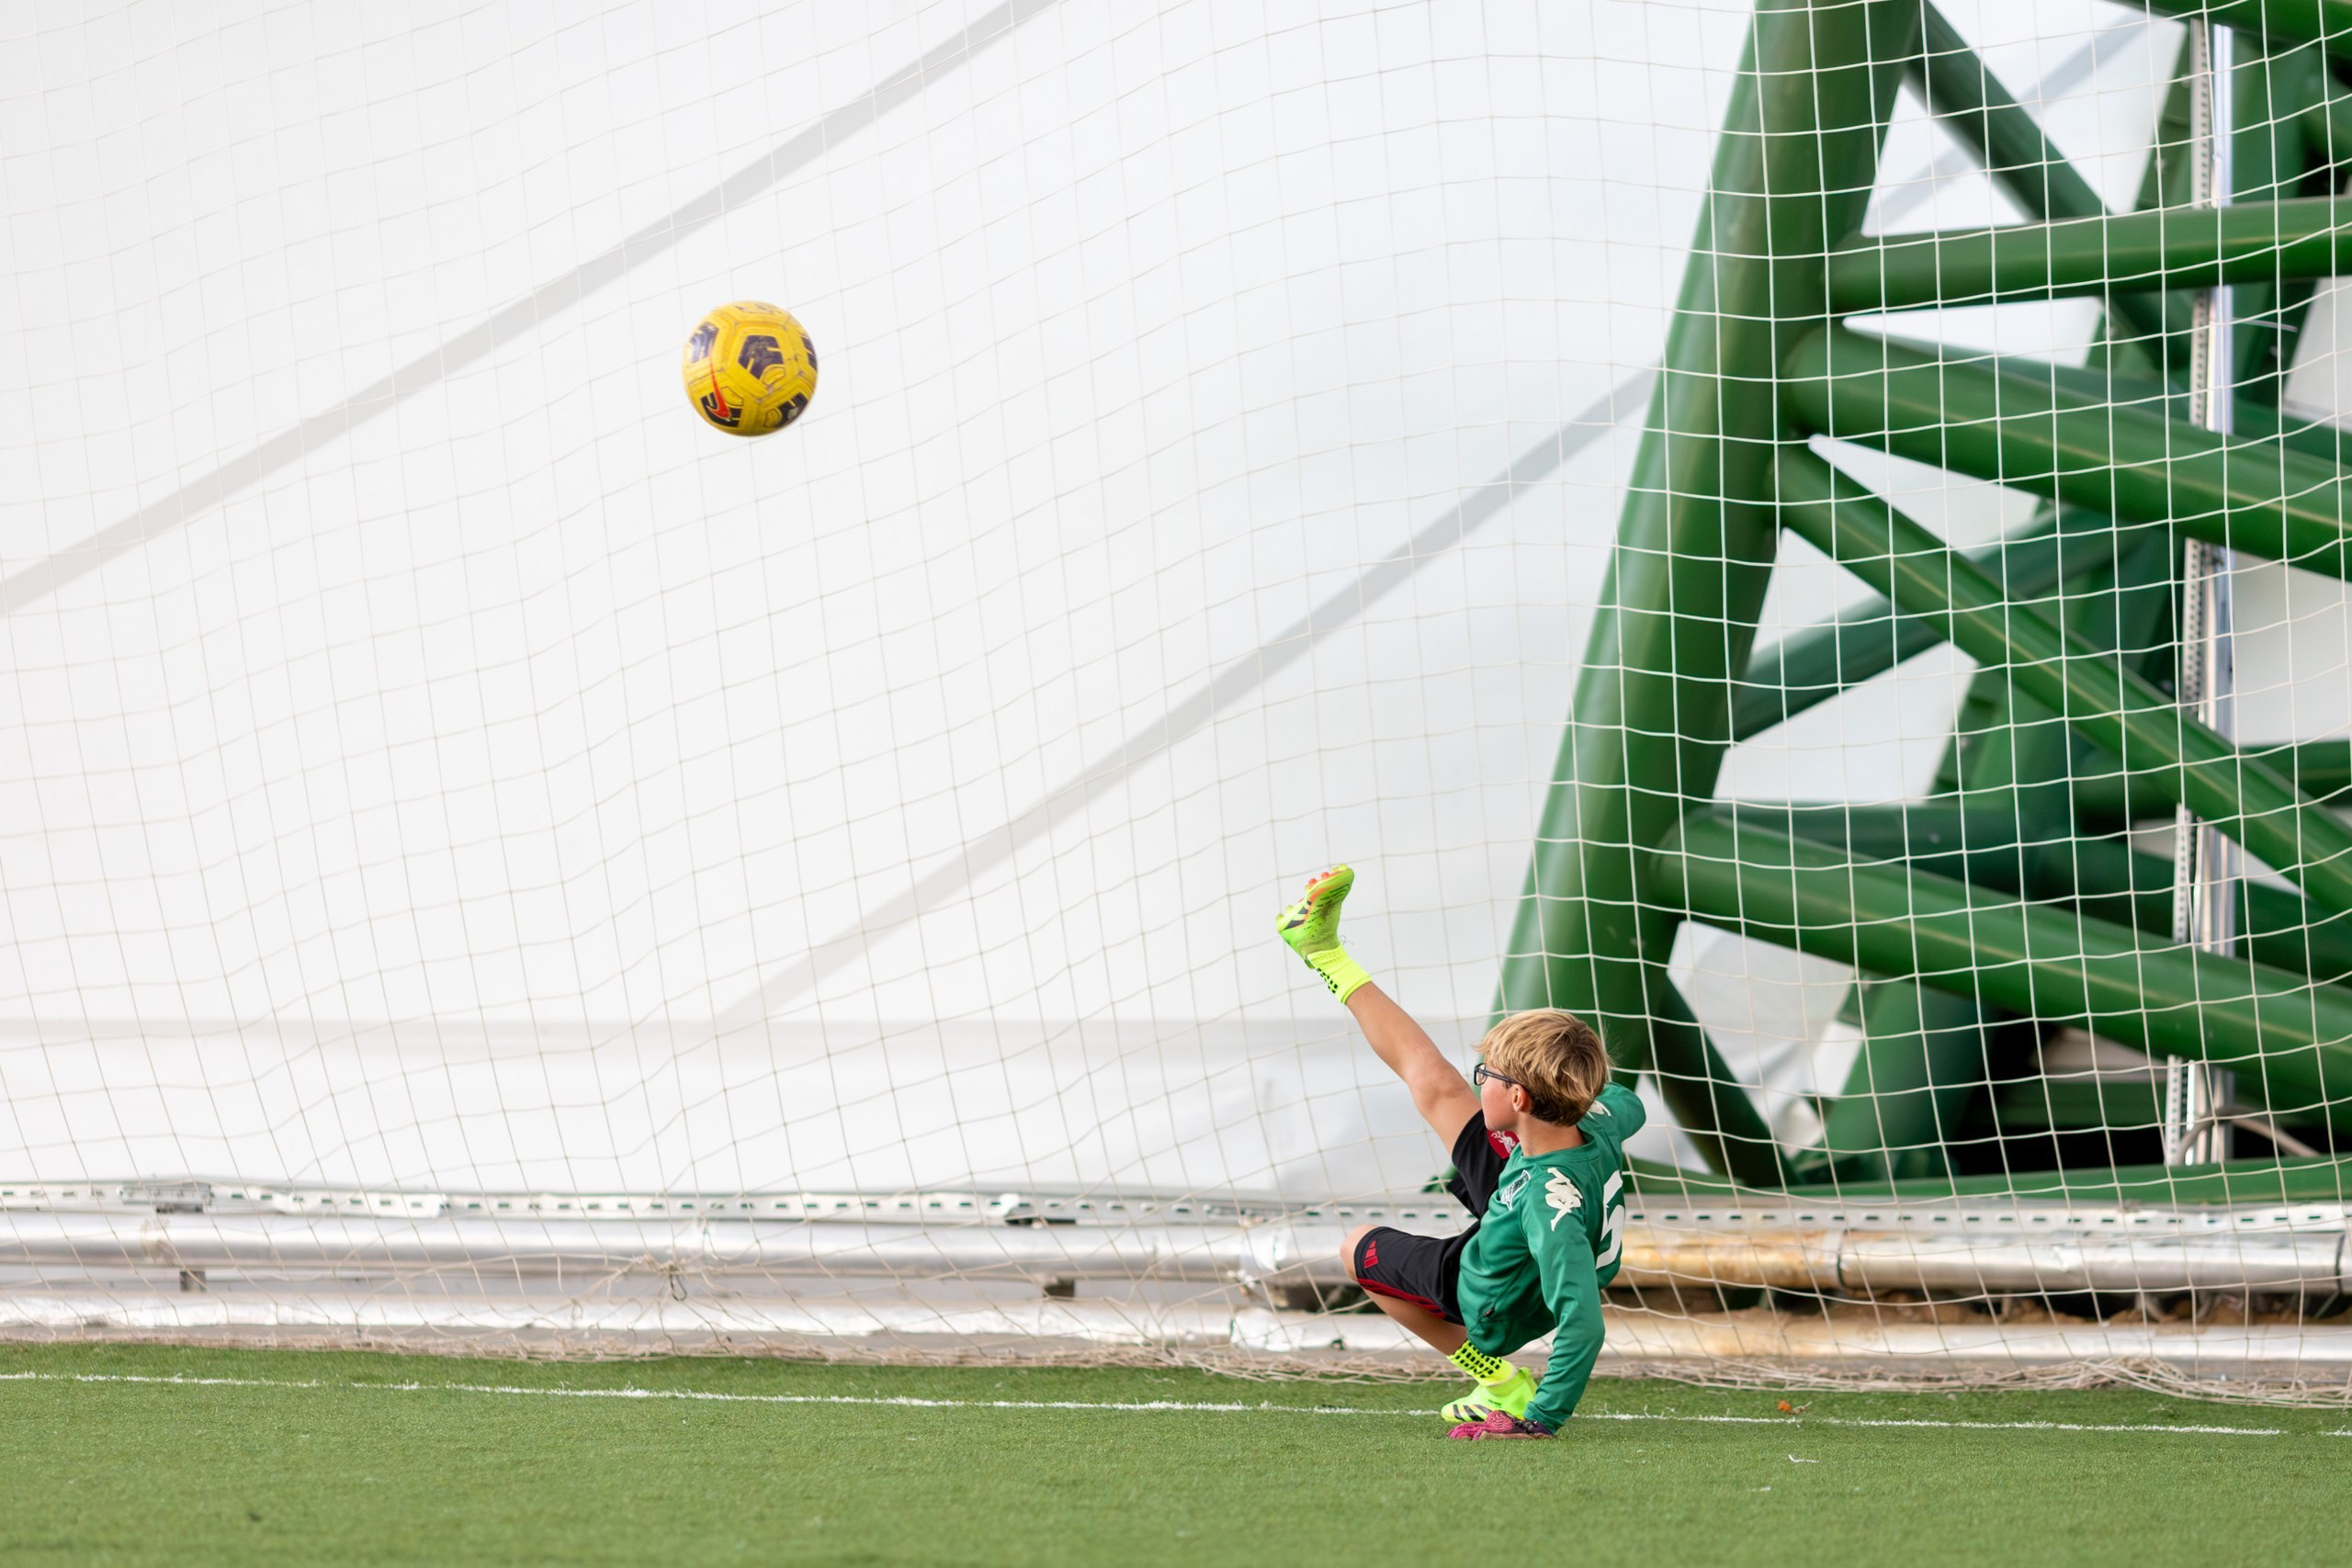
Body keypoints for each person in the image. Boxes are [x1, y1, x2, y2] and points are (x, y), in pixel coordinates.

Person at [1276, 864, 1645, 1439]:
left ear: (1518, 1096)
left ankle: (1496, 1381)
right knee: (1433, 1082)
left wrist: (1539, 1421)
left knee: (1358, 1253)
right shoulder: (1595, 1116)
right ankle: (1322, 950)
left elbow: (1582, 1322)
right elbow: (1621, 1100)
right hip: (1530, 1182)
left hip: (1495, 1300)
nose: (1479, 1083)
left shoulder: (1549, 1205)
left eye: (1488, 1075)